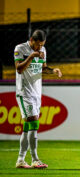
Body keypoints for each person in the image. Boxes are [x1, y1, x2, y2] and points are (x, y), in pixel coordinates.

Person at [14, 29, 62, 168]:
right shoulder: (20, 48)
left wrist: (53, 70)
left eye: (42, 45)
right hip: (24, 92)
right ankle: (35, 159)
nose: (40, 47)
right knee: (34, 122)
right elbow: (19, 69)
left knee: (27, 127)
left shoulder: (43, 50)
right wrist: (32, 56)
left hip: (36, 92)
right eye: (38, 45)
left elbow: (43, 68)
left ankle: (20, 160)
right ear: (32, 40)